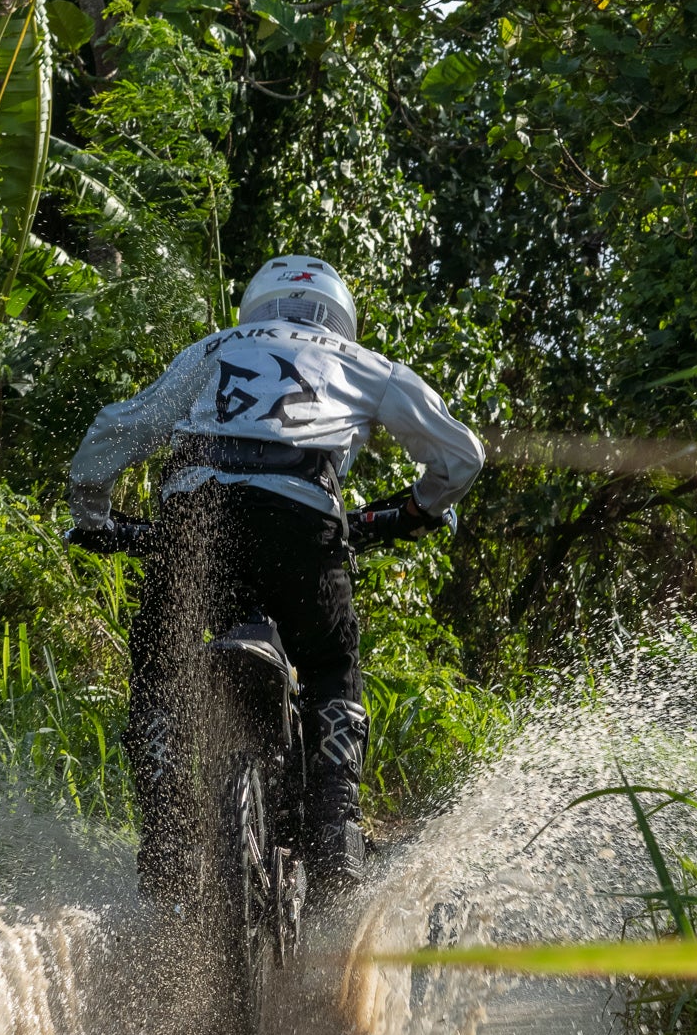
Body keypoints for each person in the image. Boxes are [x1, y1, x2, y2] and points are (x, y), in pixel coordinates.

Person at [67, 255, 485, 901]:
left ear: (255, 309)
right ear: (340, 316)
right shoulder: (357, 361)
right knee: (327, 661)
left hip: (198, 521)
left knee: (160, 659)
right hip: (302, 521)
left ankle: (169, 830)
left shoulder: (208, 351)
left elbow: (114, 431)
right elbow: (462, 456)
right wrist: (418, 508)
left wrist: (95, 517)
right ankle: (335, 832)